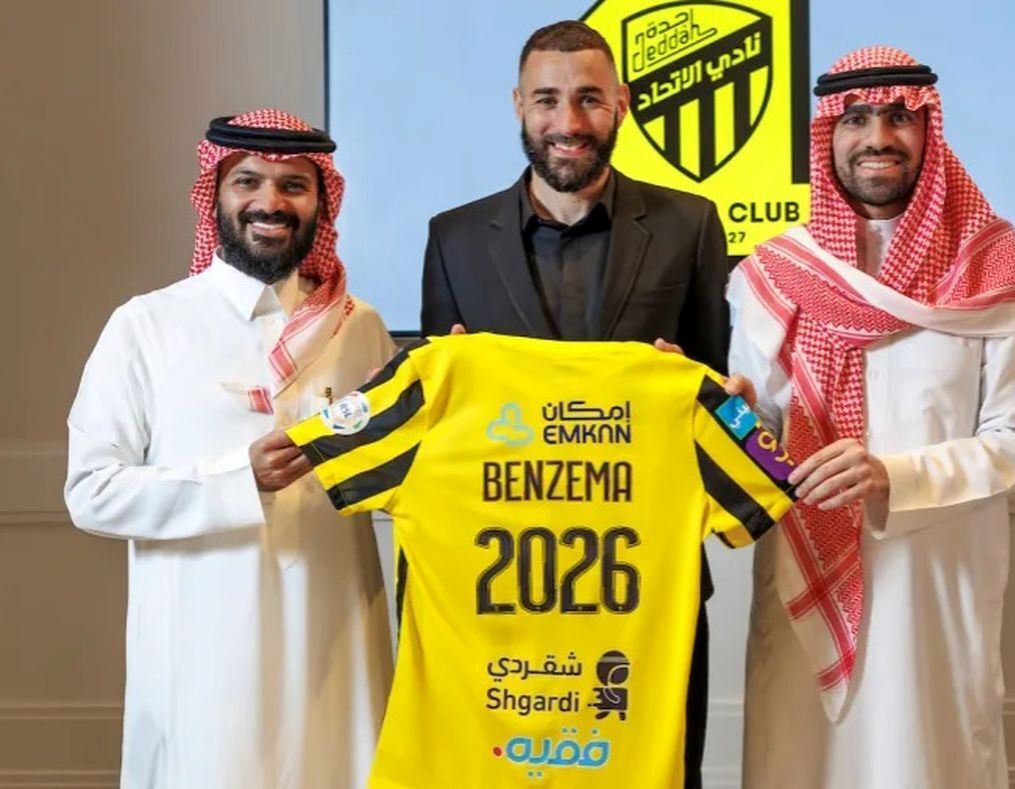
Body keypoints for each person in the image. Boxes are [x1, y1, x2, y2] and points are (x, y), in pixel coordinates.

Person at [728, 47, 1015, 788]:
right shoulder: (774, 273)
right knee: (800, 760)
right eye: (856, 118)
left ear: (928, 129)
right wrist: (727, 416)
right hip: (802, 576)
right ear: (828, 134)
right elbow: (762, 427)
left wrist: (890, 478)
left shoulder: (991, 263)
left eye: (899, 116)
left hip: (935, 584)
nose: (877, 136)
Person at [419, 20, 729, 786]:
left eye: (589, 98)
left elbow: (718, 392)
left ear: (622, 103)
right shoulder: (453, 238)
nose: (569, 121)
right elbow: (437, 424)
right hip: (497, 591)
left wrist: (699, 389)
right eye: (547, 100)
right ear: (518, 105)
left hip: (646, 589)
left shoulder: (690, 226)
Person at [64, 109, 397, 789]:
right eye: (248, 181)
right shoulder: (147, 326)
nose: (270, 202)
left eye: (294, 185)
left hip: (334, 655)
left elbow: (394, 472)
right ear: (214, 194)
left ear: (321, 202)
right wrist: (235, 480)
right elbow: (91, 492)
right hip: (203, 667)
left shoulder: (358, 326)